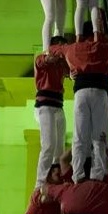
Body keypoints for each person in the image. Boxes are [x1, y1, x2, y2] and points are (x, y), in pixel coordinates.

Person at [50, 30, 108, 182]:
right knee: (98, 137)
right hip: (100, 92)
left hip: (81, 93)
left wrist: (68, 64)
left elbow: (52, 49)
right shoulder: (104, 46)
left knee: (79, 137)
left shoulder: (73, 48)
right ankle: (98, 173)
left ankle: (77, 174)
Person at [34, 36, 69, 188]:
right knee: (48, 145)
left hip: (58, 106)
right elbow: (43, 61)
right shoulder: (42, 58)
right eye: (60, 46)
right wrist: (51, 56)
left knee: (59, 147)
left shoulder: (62, 64)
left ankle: (55, 178)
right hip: (45, 105)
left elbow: (71, 70)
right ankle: (40, 183)